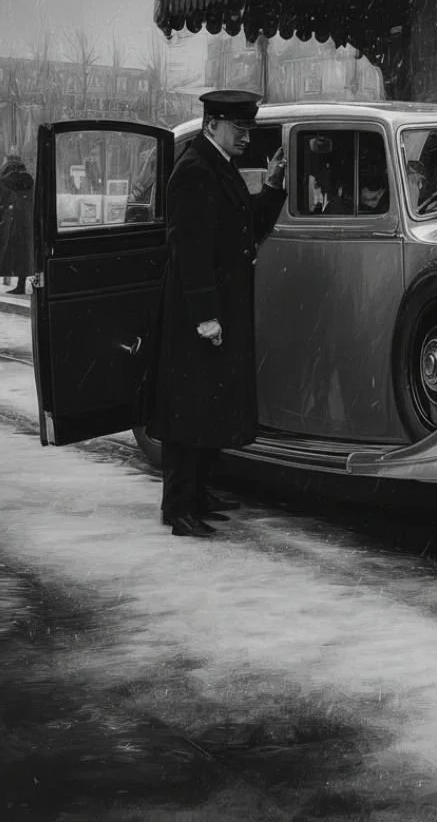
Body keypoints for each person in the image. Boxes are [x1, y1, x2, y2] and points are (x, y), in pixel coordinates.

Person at [143, 90, 287, 538]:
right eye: (238, 129)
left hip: (218, 309)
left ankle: (198, 493)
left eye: (247, 129)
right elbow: (190, 251)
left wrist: (274, 186)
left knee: (209, 406)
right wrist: (206, 315)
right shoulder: (194, 170)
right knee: (188, 412)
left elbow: (246, 228)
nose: (246, 137)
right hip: (198, 315)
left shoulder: (217, 165)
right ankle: (178, 507)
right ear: (213, 125)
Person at [0, 155, 34, 294]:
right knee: (23, 253)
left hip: (7, 222)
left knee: (1, 249)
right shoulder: (30, 180)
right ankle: (21, 285)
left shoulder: (3, 182)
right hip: (27, 222)